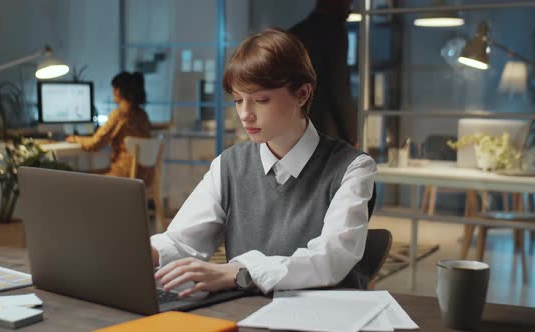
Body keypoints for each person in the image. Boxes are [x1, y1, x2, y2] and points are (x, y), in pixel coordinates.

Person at [151, 29, 376, 298]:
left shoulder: (352, 167)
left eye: (261, 100)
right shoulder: (229, 165)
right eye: (238, 101)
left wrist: (240, 272)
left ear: (302, 93)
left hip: (324, 318)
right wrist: (144, 254)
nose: (245, 115)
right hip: (245, 314)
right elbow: (181, 242)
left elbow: (330, 258)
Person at [289, 0, 357, 145]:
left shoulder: (295, 32)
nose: (350, 9)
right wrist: (353, 134)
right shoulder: (334, 32)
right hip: (328, 131)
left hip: (295, 129)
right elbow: (339, 88)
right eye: (347, 3)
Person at [67, 71, 152, 183]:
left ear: (118, 90)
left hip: (125, 173)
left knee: (78, 178)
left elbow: (95, 143)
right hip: (146, 175)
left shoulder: (120, 114)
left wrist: (74, 138)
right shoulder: (143, 115)